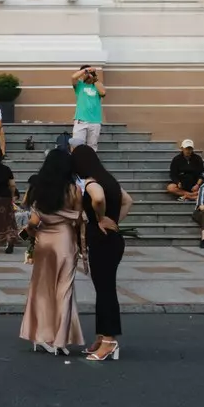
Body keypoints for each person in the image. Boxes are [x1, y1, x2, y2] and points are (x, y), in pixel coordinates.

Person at [18, 148, 84, 357]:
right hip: (65, 240)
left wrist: (28, 234)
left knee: (42, 290)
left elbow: (33, 222)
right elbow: (79, 219)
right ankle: (60, 340)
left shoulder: (40, 188)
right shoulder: (73, 189)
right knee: (64, 291)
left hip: (44, 241)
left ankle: (40, 336)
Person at [71, 144, 129, 362]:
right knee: (104, 289)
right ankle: (101, 336)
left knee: (105, 291)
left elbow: (97, 199)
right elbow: (128, 200)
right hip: (112, 239)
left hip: (102, 240)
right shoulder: (109, 179)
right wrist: (115, 221)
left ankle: (109, 341)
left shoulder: (91, 182)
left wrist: (101, 218)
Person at [71, 66, 106, 149]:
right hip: (81, 120)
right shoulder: (79, 85)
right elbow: (73, 77)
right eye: (86, 73)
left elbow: (103, 92)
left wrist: (94, 77)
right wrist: (86, 70)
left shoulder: (97, 85)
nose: (88, 75)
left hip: (95, 121)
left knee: (92, 147)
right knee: (77, 145)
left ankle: (91, 161)